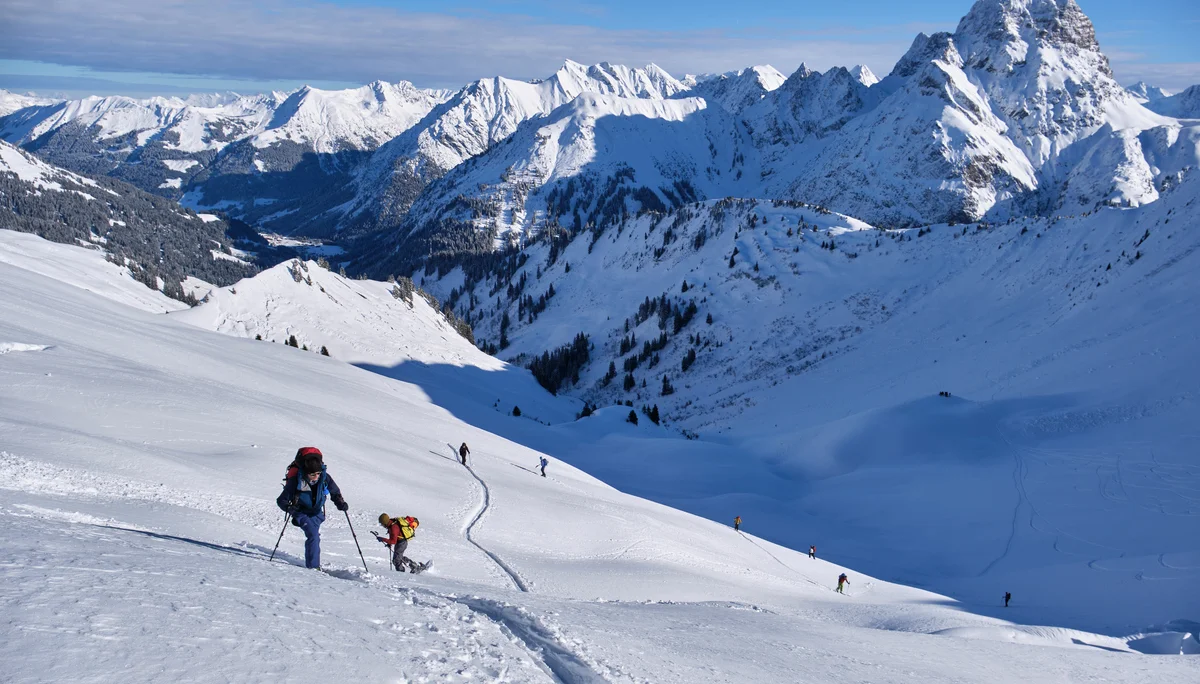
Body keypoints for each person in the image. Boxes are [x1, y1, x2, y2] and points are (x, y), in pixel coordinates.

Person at [276, 447, 347, 569]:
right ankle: (313, 568)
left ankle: (313, 565)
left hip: (316, 513)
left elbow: (334, 491)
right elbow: (281, 500)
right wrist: (290, 509)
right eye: (312, 474)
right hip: (300, 512)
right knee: (313, 536)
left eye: (318, 473)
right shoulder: (296, 481)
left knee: (315, 538)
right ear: (306, 472)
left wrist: (340, 502)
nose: (316, 476)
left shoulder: (325, 477)